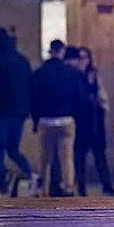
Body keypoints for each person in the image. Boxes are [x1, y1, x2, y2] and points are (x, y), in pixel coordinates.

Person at [0, 27, 37, 198]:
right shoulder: (21, 60)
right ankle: (31, 174)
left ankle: (3, 189)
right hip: (18, 113)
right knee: (13, 149)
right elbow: (30, 87)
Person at [32, 39, 85, 198]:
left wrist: (35, 121)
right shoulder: (71, 73)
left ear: (50, 51)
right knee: (67, 157)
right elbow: (79, 98)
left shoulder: (40, 72)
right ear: (62, 52)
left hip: (46, 119)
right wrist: (76, 117)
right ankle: (69, 187)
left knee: (45, 157)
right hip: (66, 119)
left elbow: (34, 98)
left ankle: (44, 190)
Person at [66, 46, 114, 197]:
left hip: (95, 121)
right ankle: (81, 187)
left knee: (100, 155)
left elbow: (101, 95)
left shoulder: (93, 74)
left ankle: (106, 185)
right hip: (80, 121)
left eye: (86, 58)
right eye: (80, 58)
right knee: (79, 156)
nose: (83, 61)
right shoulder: (73, 76)